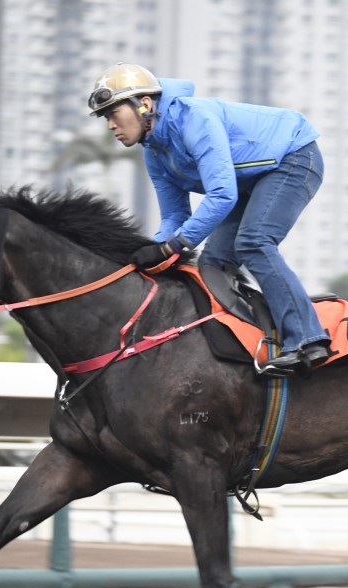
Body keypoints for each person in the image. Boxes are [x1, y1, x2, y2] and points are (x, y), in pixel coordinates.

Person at [87, 63, 331, 377]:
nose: (110, 125)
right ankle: (258, 338)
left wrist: (173, 246)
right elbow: (175, 216)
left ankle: (307, 339)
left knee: (253, 242)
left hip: (294, 157)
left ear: (144, 104)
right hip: (251, 181)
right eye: (105, 117)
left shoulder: (194, 119)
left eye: (113, 113)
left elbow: (222, 195)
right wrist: (151, 252)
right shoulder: (154, 152)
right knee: (212, 262)